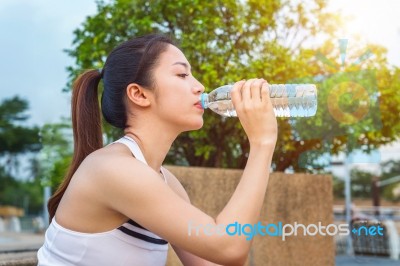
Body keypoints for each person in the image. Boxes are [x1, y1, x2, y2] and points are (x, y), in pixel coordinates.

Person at [37, 33, 277, 266]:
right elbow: (228, 247)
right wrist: (261, 143)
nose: (200, 86)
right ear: (139, 94)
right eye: (182, 74)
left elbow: (214, 260)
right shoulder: (112, 169)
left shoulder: (165, 182)